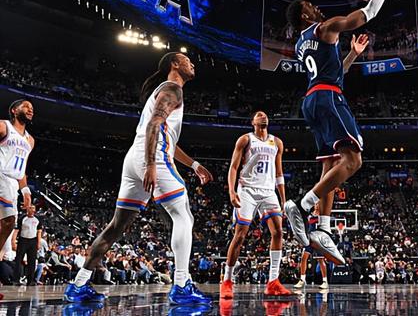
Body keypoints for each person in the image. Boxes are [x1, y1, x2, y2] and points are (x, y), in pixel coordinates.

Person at [64, 52, 213, 305]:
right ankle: (181, 285)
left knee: (116, 226)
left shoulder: (164, 90)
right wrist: (151, 164)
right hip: (151, 156)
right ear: (174, 64)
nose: (193, 63)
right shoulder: (173, 89)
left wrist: (194, 164)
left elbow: (166, 136)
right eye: (187, 60)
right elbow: (154, 125)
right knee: (183, 216)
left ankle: (78, 285)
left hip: (135, 156)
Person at [284, 0, 404, 264]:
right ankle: (303, 205)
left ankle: (323, 229)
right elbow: (367, 13)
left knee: (330, 166)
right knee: (353, 160)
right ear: (304, 15)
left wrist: (352, 54)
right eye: (310, 6)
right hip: (328, 98)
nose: (316, 7)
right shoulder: (324, 28)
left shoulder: (301, 44)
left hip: (312, 98)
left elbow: (335, 72)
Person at [220, 111, 293, 299]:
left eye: (265, 115)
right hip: (248, 190)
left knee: (278, 232)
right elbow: (233, 167)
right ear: (253, 122)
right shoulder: (245, 139)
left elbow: (279, 172)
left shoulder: (277, 142)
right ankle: (227, 280)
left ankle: (273, 281)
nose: (263, 115)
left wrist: (283, 198)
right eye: (259, 115)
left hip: (268, 191)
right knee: (240, 235)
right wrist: (232, 191)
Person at [0, 100, 34, 263]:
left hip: (13, 184)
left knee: (7, 225)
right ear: (14, 110)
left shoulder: (30, 140)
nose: (30, 110)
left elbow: (22, 168)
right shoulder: (3, 126)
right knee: (9, 221)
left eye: (32, 108)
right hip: (1, 175)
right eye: (26, 106)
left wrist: (25, 190)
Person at [294, 203, 328, 290]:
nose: (317, 205)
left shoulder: (323, 216)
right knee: (303, 258)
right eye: (316, 204)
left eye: (318, 204)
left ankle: (325, 281)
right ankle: (302, 279)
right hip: (309, 240)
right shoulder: (310, 215)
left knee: (320, 260)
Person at [12, 204, 41, 285]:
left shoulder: (38, 219)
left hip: (33, 241)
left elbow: (39, 231)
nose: (32, 210)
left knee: (32, 261)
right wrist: (13, 241)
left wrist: (38, 243)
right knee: (18, 260)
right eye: (30, 208)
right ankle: (16, 280)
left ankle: (30, 280)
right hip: (23, 240)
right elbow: (17, 230)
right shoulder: (22, 218)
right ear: (27, 209)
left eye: (33, 208)